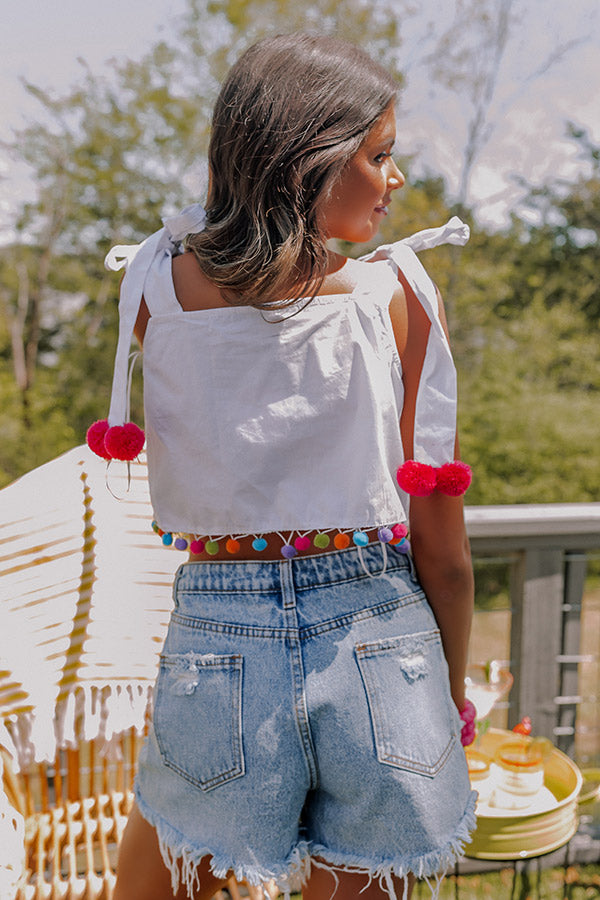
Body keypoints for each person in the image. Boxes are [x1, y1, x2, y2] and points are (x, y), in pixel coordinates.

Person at [88, 32, 477, 900]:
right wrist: (449, 698)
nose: (395, 180)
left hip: (218, 644)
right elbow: (444, 556)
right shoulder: (399, 297)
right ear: (311, 162)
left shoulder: (156, 291)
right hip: (381, 643)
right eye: (379, 156)